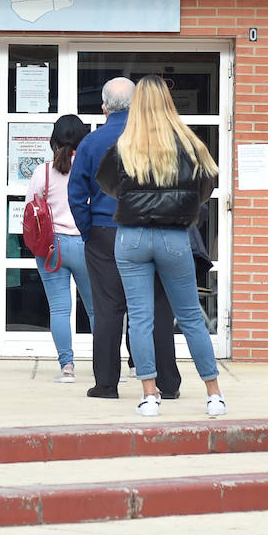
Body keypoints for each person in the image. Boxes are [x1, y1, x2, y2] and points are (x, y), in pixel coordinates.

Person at [95, 74, 225, 417]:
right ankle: (213, 394)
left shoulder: (125, 145)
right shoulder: (190, 144)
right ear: (169, 102)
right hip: (174, 235)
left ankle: (149, 396)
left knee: (140, 319)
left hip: (131, 235)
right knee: (191, 316)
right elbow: (206, 186)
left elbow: (107, 184)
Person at [68, 77, 183, 400]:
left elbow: (76, 194)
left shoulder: (92, 142)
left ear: (104, 107)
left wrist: (89, 230)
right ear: (138, 103)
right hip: (152, 228)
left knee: (108, 310)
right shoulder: (157, 137)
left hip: (105, 231)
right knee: (157, 308)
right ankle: (167, 383)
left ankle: (106, 383)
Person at [27, 114, 96, 382]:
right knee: (97, 310)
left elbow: (32, 207)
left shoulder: (43, 171)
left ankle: (67, 366)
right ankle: (106, 365)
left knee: (59, 309)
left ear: (53, 139)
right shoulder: (91, 167)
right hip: (86, 244)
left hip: (51, 247)